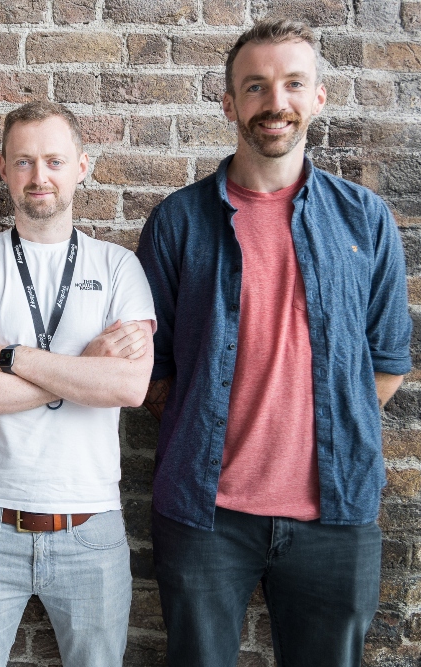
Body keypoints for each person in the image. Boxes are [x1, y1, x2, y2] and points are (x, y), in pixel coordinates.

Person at [137, 19, 413, 667]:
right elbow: (153, 373)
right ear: (230, 103)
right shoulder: (178, 221)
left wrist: (334, 424)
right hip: (206, 517)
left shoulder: (363, 219)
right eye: (255, 86)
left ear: (318, 97)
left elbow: (387, 364)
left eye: (292, 83)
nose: (275, 101)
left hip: (336, 518)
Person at [0, 100, 156, 666]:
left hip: (91, 528)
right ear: (4, 170)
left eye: (54, 161)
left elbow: (130, 386)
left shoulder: (118, 267)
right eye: (25, 162)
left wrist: (6, 357)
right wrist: (83, 368)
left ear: (82, 166)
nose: (40, 177)